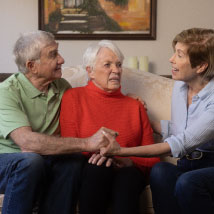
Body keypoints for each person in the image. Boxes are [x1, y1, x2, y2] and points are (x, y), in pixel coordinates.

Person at [0, 31, 118, 214]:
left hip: (41, 159)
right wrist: (86, 143)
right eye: (53, 54)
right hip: (7, 160)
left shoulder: (61, 86)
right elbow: (27, 142)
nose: (62, 59)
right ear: (32, 66)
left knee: (73, 160)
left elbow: (90, 101)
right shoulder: (6, 92)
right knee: (30, 161)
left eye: (58, 52)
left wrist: (125, 99)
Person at [101, 28, 214, 214]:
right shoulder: (180, 86)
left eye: (179, 55)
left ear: (201, 66)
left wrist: (120, 151)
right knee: (160, 170)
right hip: (187, 163)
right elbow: (178, 130)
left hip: (210, 165)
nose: (171, 59)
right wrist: (137, 109)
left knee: (188, 183)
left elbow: (180, 142)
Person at [60, 40, 160, 214]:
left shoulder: (134, 105)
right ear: (90, 71)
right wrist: (107, 157)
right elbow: (70, 147)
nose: (116, 70)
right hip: (91, 169)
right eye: (108, 65)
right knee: (98, 169)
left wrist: (127, 159)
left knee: (128, 178)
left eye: (119, 64)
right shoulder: (73, 98)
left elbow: (152, 160)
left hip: (129, 171)